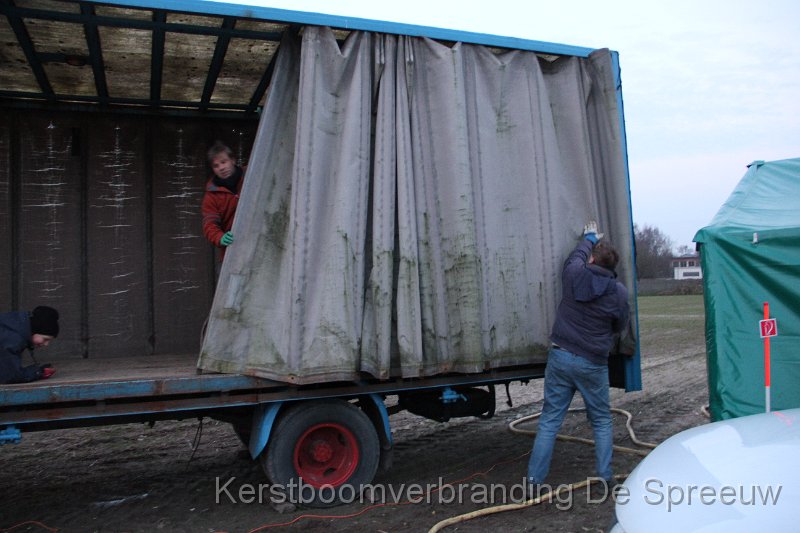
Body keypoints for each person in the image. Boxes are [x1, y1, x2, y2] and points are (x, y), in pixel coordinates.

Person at [528, 221, 629, 488]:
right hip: (592, 363)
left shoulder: (574, 274)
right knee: (601, 421)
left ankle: (533, 482)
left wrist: (588, 238)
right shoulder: (618, 292)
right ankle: (605, 478)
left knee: (549, 421)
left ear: (593, 259)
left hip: (561, 357)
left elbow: (576, 257)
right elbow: (620, 326)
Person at [201, 141, 245, 262]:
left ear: (233, 160)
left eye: (223, 162)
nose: (221, 168)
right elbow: (209, 224)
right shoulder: (211, 195)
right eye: (216, 165)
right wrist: (221, 237)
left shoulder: (251, 175)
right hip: (234, 252)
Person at [1, 305, 59, 384]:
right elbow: (10, 376)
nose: (46, 344)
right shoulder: (13, 340)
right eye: (45, 339)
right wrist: (39, 372)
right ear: (35, 330)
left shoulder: (12, 324)